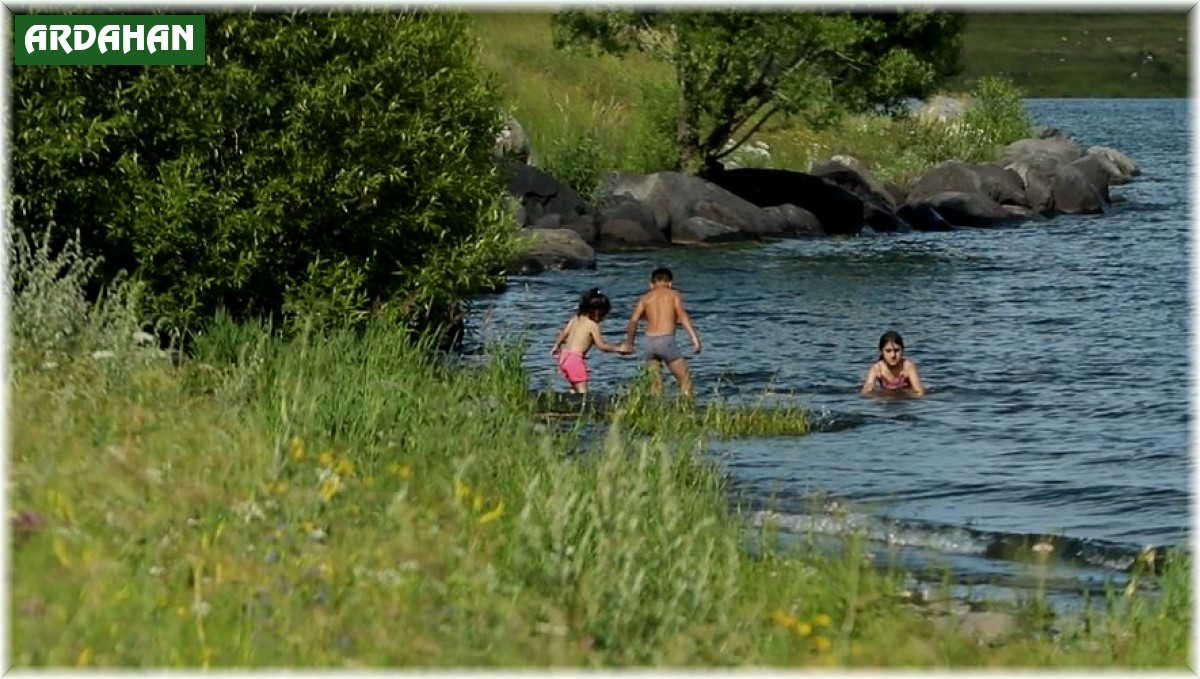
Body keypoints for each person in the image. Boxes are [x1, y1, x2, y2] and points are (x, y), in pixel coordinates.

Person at [624, 267, 702, 396]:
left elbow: (633, 320)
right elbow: (682, 316)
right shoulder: (674, 294)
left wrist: (629, 343)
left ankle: (656, 407)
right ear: (670, 283)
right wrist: (695, 339)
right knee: (685, 381)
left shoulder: (644, 298)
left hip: (649, 342)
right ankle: (687, 406)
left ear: (651, 284)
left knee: (655, 386)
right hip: (666, 340)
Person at [550, 288, 630, 394]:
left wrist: (556, 345)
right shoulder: (593, 325)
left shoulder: (576, 318)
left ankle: (567, 398)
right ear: (597, 312)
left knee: (575, 387)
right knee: (583, 392)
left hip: (564, 357)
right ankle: (583, 402)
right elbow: (601, 345)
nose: (603, 319)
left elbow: (564, 333)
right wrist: (618, 348)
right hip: (575, 359)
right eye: (603, 315)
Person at [860, 330, 926, 397]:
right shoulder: (877, 368)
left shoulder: (908, 366)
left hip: (904, 400)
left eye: (897, 350)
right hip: (886, 400)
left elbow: (920, 392)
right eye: (888, 351)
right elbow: (866, 391)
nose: (893, 355)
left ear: (903, 350)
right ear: (881, 352)